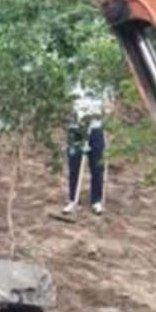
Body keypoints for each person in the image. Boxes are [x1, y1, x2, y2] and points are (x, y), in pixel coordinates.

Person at [63, 84, 109, 215]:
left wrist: (102, 111)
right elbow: (66, 107)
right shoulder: (73, 87)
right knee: (74, 166)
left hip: (96, 130)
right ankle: (73, 200)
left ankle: (96, 201)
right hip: (76, 130)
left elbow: (109, 107)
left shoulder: (102, 87)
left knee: (97, 166)